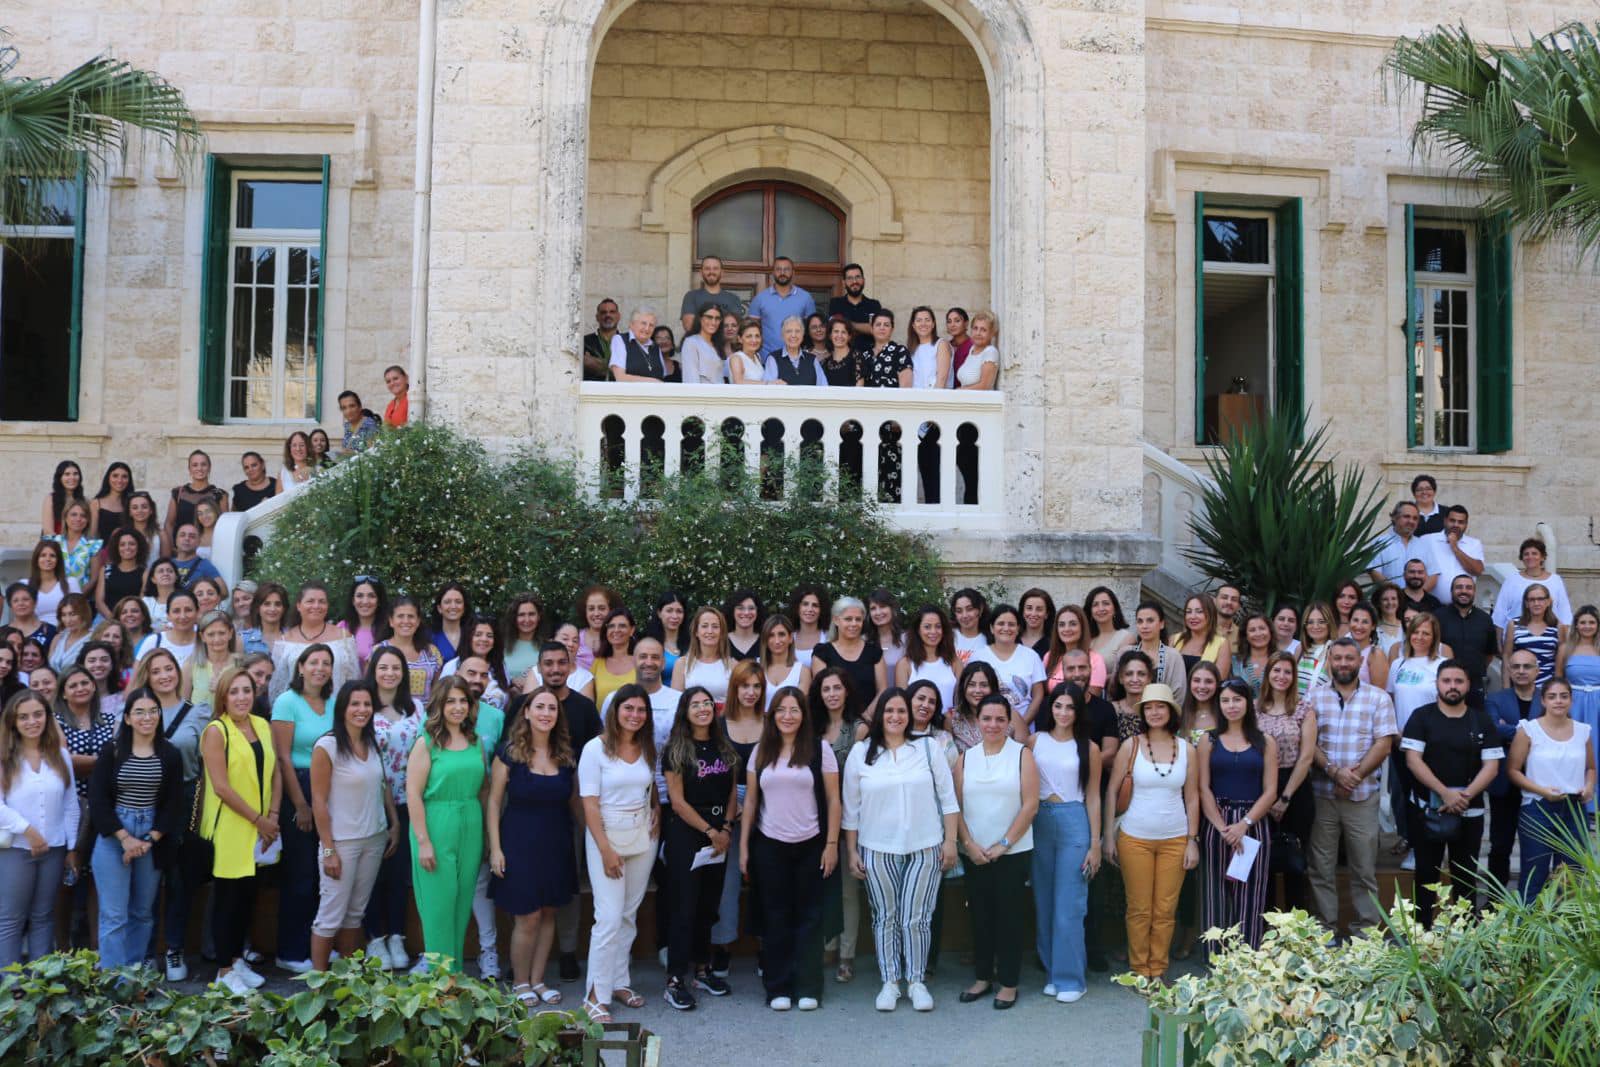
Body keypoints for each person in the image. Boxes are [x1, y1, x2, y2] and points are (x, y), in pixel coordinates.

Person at [842, 687, 959, 1013]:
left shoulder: (928, 748)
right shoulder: (861, 753)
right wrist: (852, 852)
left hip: (925, 846)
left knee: (917, 918)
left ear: (909, 715)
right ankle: (890, 982)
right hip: (877, 847)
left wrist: (950, 841)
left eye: (901, 711)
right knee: (885, 917)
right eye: (889, 711)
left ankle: (917, 981)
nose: (895, 716)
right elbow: (851, 810)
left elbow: (948, 799)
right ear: (880, 715)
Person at [739, 685, 838, 1012]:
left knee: (810, 918)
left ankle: (809, 987)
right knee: (775, 918)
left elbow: (834, 800)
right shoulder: (760, 751)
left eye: (794, 709)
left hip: (811, 844)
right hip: (770, 845)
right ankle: (778, 987)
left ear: (804, 715)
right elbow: (750, 802)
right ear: (772, 715)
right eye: (781, 710)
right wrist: (744, 847)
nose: (788, 716)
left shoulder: (820, 749)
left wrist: (831, 844)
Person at [1101, 682, 1199, 980]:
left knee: (1166, 909)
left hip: (1175, 838)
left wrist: (1192, 840)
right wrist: (1108, 837)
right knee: (1139, 907)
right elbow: (1112, 791)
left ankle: (1158, 968)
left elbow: (1192, 797)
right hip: (1135, 837)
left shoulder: (1187, 749)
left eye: (1161, 707)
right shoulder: (1131, 746)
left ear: (1171, 712)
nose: (1155, 712)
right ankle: (1139, 968)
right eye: (1149, 707)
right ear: (1142, 712)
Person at [488, 687, 578, 1007]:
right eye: (539, 707)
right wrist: (495, 849)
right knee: (527, 916)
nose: (545, 713)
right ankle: (520, 982)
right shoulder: (509, 753)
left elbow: (575, 802)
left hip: (557, 842)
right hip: (519, 842)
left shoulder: (566, 755)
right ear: (526, 712)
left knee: (550, 912)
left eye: (552, 708)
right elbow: (493, 802)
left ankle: (539, 981)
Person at [82, 686, 181, 969]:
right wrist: (125, 838)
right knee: (114, 914)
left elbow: (174, 803)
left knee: (142, 912)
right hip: (114, 832)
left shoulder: (170, 753)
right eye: (139, 712)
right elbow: (98, 799)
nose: (147, 717)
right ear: (127, 718)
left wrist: (149, 839)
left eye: (153, 711)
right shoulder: (112, 751)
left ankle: (134, 976)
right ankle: (113, 980)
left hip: (152, 834)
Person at [578, 683, 659, 1023]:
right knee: (608, 917)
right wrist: (605, 850)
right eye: (629, 708)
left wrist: (656, 811)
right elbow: (589, 804)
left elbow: (649, 788)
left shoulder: (647, 747)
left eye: (641, 710)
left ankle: (619, 982)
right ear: (615, 711)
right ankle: (595, 994)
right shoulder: (594, 749)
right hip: (606, 835)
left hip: (642, 835)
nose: (635, 715)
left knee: (628, 913)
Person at [1306, 639, 1399, 935]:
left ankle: (1366, 934)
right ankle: (1324, 931)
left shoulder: (1378, 698)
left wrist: (1352, 778)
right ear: (1329, 662)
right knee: (1321, 868)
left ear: (1360, 661)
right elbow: (1308, 743)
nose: (1343, 663)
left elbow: (1383, 744)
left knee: (1364, 869)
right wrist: (1334, 773)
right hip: (1322, 797)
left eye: (1349, 658)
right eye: (1337, 658)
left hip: (1362, 798)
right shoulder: (1313, 697)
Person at [1400, 661, 1503, 927]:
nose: (1452, 686)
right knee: (1425, 877)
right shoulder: (1421, 717)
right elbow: (1413, 760)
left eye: (1459, 681)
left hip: (1470, 811)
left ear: (1468, 685)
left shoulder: (1481, 719)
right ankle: (1421, 935)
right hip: (1428, 810)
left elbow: (1491, 766)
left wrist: (1463, 797)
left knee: (1465, 879)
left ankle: (1464, 938)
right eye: (1446, 681)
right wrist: (1444, 793)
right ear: (1437, 683)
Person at [953, 694, 1038, 1009]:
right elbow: (955, 806)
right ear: (977, 721)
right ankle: (982, 977)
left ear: (1008, 722)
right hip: (975, 853)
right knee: (980, 917)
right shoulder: (965, 758)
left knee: (1010, 918)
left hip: (1012, 852)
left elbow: (1030, 805)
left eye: (1000, 719)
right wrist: (968, 844)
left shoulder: (1022, 755)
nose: (993, 725)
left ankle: (1009, 982)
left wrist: (1004, 843)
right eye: (987, 719)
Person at [199, 666, 278, 995]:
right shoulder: (216, 731)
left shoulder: (261, 725)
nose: (242, 697)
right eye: (234, 692)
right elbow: (221, 787)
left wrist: (272, 815)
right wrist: (259, 820)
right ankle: (224, 970)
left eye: (247, 690)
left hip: (262, 827)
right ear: (223, 697)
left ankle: (236, 959)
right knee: (228, 900)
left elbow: (275, 771)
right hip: (231, 826)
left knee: (248, 896)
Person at [309, 681, 398, 971]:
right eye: (355, 704)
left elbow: (382, 785)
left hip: (374, 839)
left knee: (355, 913)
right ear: (342, 708)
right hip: (341, 843)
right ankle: (318, 982)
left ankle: (347, 981)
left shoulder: (372, 742)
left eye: (367, 704)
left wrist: (394, 823)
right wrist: (328, 851)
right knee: (330, 916)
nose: (362, 710)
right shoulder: (327, 746)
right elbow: (318, 802)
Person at [660, 687, 738, 1011]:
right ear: (685, 711)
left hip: (720, 833)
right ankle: (675, 979)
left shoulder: (724, 746)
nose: (703, 708)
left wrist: (726, 829)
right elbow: (677, 802)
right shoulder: (676, 749)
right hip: (687, 833)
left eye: (707, 703)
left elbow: (732, 792)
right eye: (696, 704)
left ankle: (702, 970)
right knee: (684, 907)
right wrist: (709, 831)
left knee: (708, 905)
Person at [1026, 682, 1101, 1001]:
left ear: (1078, 711)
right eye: (1058, 705)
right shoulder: (1035, 741)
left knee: (1069, 904)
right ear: (1050, 708)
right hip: (1040, 821)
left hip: (1074, 821)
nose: (1064, 712)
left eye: (1070, 707)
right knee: (1044, 901)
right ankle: (1053, 972)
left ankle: (1072, 980)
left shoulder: (1089, 748)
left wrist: (1095, 843)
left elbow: (1094, 797)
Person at [408, 676, 487, 973]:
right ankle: (440, 982)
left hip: (471, 821)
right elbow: (413, 793)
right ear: (439, 705)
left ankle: (453, 978)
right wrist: (423, 841)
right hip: (436, 822)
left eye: (463, 700)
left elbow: (484, 788)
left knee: (461, 905)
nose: (458, 707)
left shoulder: (476, 741)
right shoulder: (426, 742)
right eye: (451, 701)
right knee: (439, 908)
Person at [269, 643, 337, 972]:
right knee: (301, 873)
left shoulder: (334, 701)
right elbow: (282, 757)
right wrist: (300, 804)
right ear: (300, 667)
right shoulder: (287, 701)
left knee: (324, 873)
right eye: (313, 662)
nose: (319, 668)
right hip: (298, 786)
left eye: (326, 663)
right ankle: (291, 951)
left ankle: (317, 946)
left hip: (331, 788)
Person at [0, 689, 79, 968]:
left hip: (54, 848)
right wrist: (28, 831)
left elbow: (70, 804)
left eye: (38, 714)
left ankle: (40, 982)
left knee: (44, 916)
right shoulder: (4, 757)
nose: (32, 721)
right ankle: (9, 984)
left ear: (47, 717)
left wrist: (71, 847)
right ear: (13, 721)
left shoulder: (60, 756)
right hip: (17, 849)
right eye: (23, 717)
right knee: (10, 918)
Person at [1197, 680, 1278, 950]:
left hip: (1253, 822)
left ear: (1248, 703)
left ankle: (1246, 957)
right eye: (1225, 700)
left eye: (1237, 699)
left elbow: (1270, 791)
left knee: (1251, 893)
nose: (1231, 706)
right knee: (1215, 893)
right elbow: (1203, 788)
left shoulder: (1265, 742)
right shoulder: (1208, 740)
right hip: (1216, 822)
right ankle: (1216, 957)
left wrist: (1244, 824)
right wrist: (1222, 828)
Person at [1506, 677, 1594, 901]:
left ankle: (1566, 923)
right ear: (1543, 701)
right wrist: (1542, 790)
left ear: (1571, 700)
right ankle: (1527, 923)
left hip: (1574, 809)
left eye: (1564, 696)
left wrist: (1589, 787)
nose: (1558, 701)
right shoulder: (1528, 729)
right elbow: (1513, 770)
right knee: (1534, 874)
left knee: (1571, 877)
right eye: (1552, 696)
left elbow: (1591, 768)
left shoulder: (1583, 731)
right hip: (1538, 807)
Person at [363, 647, 424, 970]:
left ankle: (397, 937)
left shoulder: (416, 708)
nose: (389, 673)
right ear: (373, 671)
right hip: (370, 801)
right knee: (373, 873)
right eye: (383, 667)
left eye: (396, 668)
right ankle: (375, 938)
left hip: (407, 801)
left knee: (400, 873)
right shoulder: (362, 705)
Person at [708, 660, 765, 977]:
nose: (750, 692)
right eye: (745, 686)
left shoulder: (771, 723)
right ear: (734, 688)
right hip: (726, 807)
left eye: (756, 686)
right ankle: (722, 946)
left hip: (767, 806)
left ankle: (766, 945)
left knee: (765, 878)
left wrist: (753, 804)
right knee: (726, 882)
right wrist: (732, 807)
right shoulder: (719, 724)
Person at [1256, 652, 1315, 910]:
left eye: (1287, 672)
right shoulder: (1253, 708)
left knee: (1295, 862)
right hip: (1260, 788)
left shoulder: (1303, 709)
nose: (1282, 676)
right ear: (1268, 674)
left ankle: (1296, 925)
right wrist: (1268, 796)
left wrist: (1285, 797)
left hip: (1295, 787)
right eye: (1276, 670)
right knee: (1264, 861)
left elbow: (1306, 757)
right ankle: (1265, 924)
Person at [1484, 650, 1542, 890]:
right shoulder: (1495, 699)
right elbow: (1493, 729)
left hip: (1539, 782)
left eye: (1527, 666)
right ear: (1508, 670)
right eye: (1516, 666)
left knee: (1536, 847)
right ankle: (1495, 901)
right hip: (1504, 782)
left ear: (1537, 671)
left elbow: (1555, 730)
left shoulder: (1548, 698)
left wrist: (1511, 729)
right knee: (1500, 845)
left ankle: (1531, 900)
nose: (1521, 671)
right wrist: (1533, 733)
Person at [270, 582, 359, 701]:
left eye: (322, 601)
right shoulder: (284, 641)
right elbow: (277, 686)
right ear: (299, 606)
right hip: (295, 709)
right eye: (310, 601)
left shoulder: (344, 638)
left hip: (337, 708)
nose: (316, 606)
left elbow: (354, 680)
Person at [812, 596, 886, 720]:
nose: (854, 624)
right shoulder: (823, 653)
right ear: (836, 620)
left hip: (869, 721)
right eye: (848, 619)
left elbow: (882, 689)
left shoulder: (874, 652)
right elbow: (821, 691)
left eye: (858, 619)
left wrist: (865, 717)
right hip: (833, 723)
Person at [973, 604, 1045, 732]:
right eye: (1001, 624)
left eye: (1011, 624)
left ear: (1018, 629)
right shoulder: (978, 656)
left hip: (1024, 728)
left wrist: (1021, 725)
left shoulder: (1031, 656)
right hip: (988, 729)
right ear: (991, 628)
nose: (1006, 628)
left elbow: (1038, 695)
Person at [1432, 575, 1498, 706]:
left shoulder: (1485, 619)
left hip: (1475, 684)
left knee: (1475, 718)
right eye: (1459, 587)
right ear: (1451, 591)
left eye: (1468, 588)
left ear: (1474, 591)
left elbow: (1489, 654)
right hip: (1446, 683)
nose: (1464, 591)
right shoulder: (1437, 617)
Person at [1493, 537, 1574, 629]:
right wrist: (1499, 638)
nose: (1530, 557)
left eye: (1534, 553)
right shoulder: (1512, 580)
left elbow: (1564, 614)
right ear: (1522, 557)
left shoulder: (1555, 580)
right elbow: (1500, 615)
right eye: (1526, 554)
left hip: (1550, 635)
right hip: (1517, 634)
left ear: (1542, 557)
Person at [1557, 606, 1600, 777]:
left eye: (1591, 622)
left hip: (1598, 704)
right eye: (1583, 622)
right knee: (1574, 747)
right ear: (1576, 625)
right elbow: (1558, 680)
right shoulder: (1565, 649)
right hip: (1574, 705)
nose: (1587, 626)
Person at [376, 595, 443, 704]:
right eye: (400, 616)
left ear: (418, 621)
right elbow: (370, 688)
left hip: (424, 713)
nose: (406, 621)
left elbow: (437, 692)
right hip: (388, 713)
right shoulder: (378, 651)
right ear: (391, 621)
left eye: (411, 616)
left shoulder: (432, 652)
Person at [895, 605, 960, 713]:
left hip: (949, 722)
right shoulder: (905, 664)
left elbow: (961, 700)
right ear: (918, 630)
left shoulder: (954, 661)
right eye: (927, 627)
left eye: (938, 626)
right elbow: (902, 705)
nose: (933, 631)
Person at [1501, 583, 1564, 688]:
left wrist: (1557, 688)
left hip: (1547, 688)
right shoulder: (1514, 625)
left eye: (1540, 599)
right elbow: (1507, 656)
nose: (1536, 603)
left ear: (1548, 602)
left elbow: (1560, 662)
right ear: (1526, 603)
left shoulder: (1557, 626)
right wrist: (1506, 687)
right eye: (1532, 600)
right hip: (1519, 687)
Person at [748, 256, 816, 352]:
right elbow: (750, 329)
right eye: (778, 269)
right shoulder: (760, 298)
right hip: (766, 356)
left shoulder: (806, 298)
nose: (782, 273)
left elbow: (812, 328)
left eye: (786, 269)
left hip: (796, 356)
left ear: (793, 272)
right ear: (773, 273)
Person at [163, 451, 228, 547]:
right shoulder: (179, 493)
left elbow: (225, 526)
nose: (199, 468)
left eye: (203, 464)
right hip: (182, 549)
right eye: (195, 465)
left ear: (209, 467)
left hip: (210, 548)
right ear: (189, 469)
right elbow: (169, 523)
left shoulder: (219, 495)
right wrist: (173, 547)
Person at [671, 606, 733, 705]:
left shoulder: (733, 665)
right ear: (696, 632)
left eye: (715, 626)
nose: (710, 631)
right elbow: (675, 704)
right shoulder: (682, 664)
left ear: (721, 632)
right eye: (704, 626)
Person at [1366, 501, 1434, 588]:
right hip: (1388, 596)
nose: (1411, 521)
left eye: (1415, 518)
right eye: (1406, 516)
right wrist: (1396, 594)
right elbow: (1374, 572)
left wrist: (1418, 594)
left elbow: (1433, 574)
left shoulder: (1424, 545)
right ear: (1394, 517)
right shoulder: (1378, 543)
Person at [1131, 602, 1188, 705]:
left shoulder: (1173, 656)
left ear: (1162, 624)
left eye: (1150, 621)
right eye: (1140, 621)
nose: (1144, 626)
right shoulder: (1126, 652)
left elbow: (1178, 696)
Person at [1420, 505, 1484, 595]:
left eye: (1460, 522)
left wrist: (1455, 548)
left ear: (1466, 525)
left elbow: (1478, 571)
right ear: (1445, 521)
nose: (1456, 525)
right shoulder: (1427, 540)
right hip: (1431, 601)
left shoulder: (1474, 544)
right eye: (1452, 520)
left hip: (1463, 600)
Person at [182, 609, 240, 706]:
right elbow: (183, 706)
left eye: (222, 633)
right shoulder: (190, 665)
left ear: (230, 633)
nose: (217, 639)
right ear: (202, 636)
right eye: (211, 634)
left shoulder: (240, 664)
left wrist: (223, 689)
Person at [678, 254, 745, 335]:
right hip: (699, 343)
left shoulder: (733, 299)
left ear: (722, 272)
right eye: (707, 268)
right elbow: (689, 327)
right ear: (701, 272)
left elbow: (735, 329)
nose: (711, 272)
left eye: (715, 268)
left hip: (724, 343)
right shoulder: (691, 296)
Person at [94, 529, 149, 622]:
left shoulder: (145, 573)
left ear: (139, 547)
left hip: (132, 619)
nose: (127, 547)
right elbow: (99, 602)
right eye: (122, 544)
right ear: (117, 548)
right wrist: (113, 620)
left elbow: (142, 602)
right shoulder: (106, 570)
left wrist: (125, 620)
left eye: (132, 544)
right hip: (105, 618)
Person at [1172, 594, 1232, 678]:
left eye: (1199, 611)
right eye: (1189, 612)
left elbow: (1220, 680)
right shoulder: (1174, 639)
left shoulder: (1221, 644)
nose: (1193, 616)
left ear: (1210, 614)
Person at [825, 262, 881, 351]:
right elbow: (833, 329)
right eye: (850, 278)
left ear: (863, 280)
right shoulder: (836, 303)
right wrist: (865, 327)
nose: (854, 281)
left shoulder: (874, 305)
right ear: (844, 283)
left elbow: (876, 330)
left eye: (857, 277)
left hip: (869, 356)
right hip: (843, 355)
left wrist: (848, 324)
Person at [759, 615, 810, 707]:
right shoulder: (755, 667)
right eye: (771, 635)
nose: (777, 641)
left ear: (790, 638)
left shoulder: (802, 672)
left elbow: (800, 707)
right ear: (765, 640)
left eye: (781, 634)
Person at [608, 307, 668, 383]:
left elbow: (663, 378)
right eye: (643, 323)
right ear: (632, 324)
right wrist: (653, 382)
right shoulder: (620, 340)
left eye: (651, 325)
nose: (647, 328)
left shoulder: (656, 348)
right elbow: (620, 377)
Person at [764, 315, 829, 386]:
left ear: (803, 335)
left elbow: (824, 388)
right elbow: (768, 389)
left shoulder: (812, 360)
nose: (793, 335)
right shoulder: (773, 359)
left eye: (797, 331)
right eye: (789, 331)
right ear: (782, 336)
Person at [593, 609, 638, 709]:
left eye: (622, 626)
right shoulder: (598, 663)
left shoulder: (641, 663)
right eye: (611, 626)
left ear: (632, 630)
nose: (616, 630)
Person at [29, 540, 78, 630]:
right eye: (43, 555)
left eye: (52, 556)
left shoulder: (71, 582)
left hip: (65, 631)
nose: (48, 559)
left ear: (58, 560)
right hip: (35, 632)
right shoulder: (26, 585)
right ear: (36, 559)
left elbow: (80, 613)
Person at [52, 501, 102, 588]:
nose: (78, 519)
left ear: (88, 520)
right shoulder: (53, 541)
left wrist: (78, 595)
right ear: (65, 517)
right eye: (74, 514)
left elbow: (94, 579)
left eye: (83, 516)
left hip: (82, 595)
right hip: (54, 594)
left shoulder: (93, 545)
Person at [500, 593, 548, 684]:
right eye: (521, 615)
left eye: (531, 614)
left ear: (539, 616)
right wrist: (512, 682)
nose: (527, 619)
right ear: (514, 618)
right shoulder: (501, 645)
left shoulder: (548, 647)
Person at [345, 576, 388, 673]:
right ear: (353, 600)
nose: (365, 601)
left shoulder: (389, 629)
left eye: (371, 596)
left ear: (379, 601)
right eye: (359, 596)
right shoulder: (342, 628)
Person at [678, 305, 729, 385]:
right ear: (700, 318)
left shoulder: (717, 344)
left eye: (717, 318)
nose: (713, 322)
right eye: (709, 317)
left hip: (720, 391)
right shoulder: (691, 342)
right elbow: (691, 379)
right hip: (701, 392)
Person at [47, 593, 95, 675]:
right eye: (64, 615)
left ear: (83, 613)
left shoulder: (93, 638)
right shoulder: (58, 638)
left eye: (72, 614)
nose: (68, 620)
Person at [1347, 603, 1391, 690]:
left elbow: (1379, 693)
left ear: (1373, 626)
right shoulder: (1342, 651)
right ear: (1349, 622)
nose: (1359, 626)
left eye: (1365, 622)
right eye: (1355, 620)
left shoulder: (1375, 654)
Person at [240, 581, 288, 657]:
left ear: (284, 608)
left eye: (278, 604)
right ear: (257, 608)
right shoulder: (243, 639)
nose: (272, 609)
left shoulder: (293, 638)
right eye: (267, 604)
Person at [41, 459, 87, 537]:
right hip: (54, 543)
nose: (72, 477)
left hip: (78, 544)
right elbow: (48, 531)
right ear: (60, 478)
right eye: (67, 474)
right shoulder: (50, 499)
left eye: (75, 474)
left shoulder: (85, 501)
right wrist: (65, 544)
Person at [955, 310, 1000, 391]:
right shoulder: (972, 349)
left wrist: (959, 391)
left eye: (983, 330)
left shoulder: (990, 352)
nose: (978, 333)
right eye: (975, 328)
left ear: (992, 333)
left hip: (981, 399)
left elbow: (985, 386)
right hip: (966, 398)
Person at [1230, 613, 1274, 696]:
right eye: (1252, 630)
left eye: (1262, 628)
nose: (1258, 633)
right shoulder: (1235, 662)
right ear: (1246, 635)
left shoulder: (1280, 660)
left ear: (1270, 631)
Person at [168, 523, 222, 589]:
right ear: (176, 540)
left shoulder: (205, 565)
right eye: (182, 535)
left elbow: (223, 591)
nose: (187, 538)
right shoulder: (167, 564)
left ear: (198, 542)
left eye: (192, 536)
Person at [1086, 587, 1133, 662]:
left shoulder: (1125, 638)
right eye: (1095, 605)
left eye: (1106, 603)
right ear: (1090, 611)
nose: (1101, 608)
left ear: (1115, 609)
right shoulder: (1086, 638)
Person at [582, 299, 621, 381]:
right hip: (592, 388)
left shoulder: (628, 343)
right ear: (597, 317)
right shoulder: (585, 342)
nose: (608, 315)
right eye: (603, 312)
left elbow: (631, 370)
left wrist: (598, 365)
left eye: (612, 312)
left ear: (618, 316)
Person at [818, 316, 861, 386]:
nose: (839, 335)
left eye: (843, 332)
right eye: (836, 331)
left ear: (849, 336)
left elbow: (860, 389)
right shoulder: (824, 364)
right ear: (830, 335)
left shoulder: (857, 357)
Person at [123, 491, 163, 565]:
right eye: (135, 508)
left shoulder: (161, 534)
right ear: (129, 512)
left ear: (151, 510)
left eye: (144, 507)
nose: (140, 511)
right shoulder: (120, 533)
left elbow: (166, 563)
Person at [727, 317, 769, 385]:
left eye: (757, 336)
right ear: (740, 339)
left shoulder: (757, 356)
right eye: (749, 336)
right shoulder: (736, 358)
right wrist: (768, 383)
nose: (754, 340)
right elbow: (739, 382)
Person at [724, 590, 763, 662]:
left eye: (751, 608)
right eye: (740, 608)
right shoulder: (721, 642)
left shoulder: (766, 642)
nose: (746, 612)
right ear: (732, 611)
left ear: (758, 611)